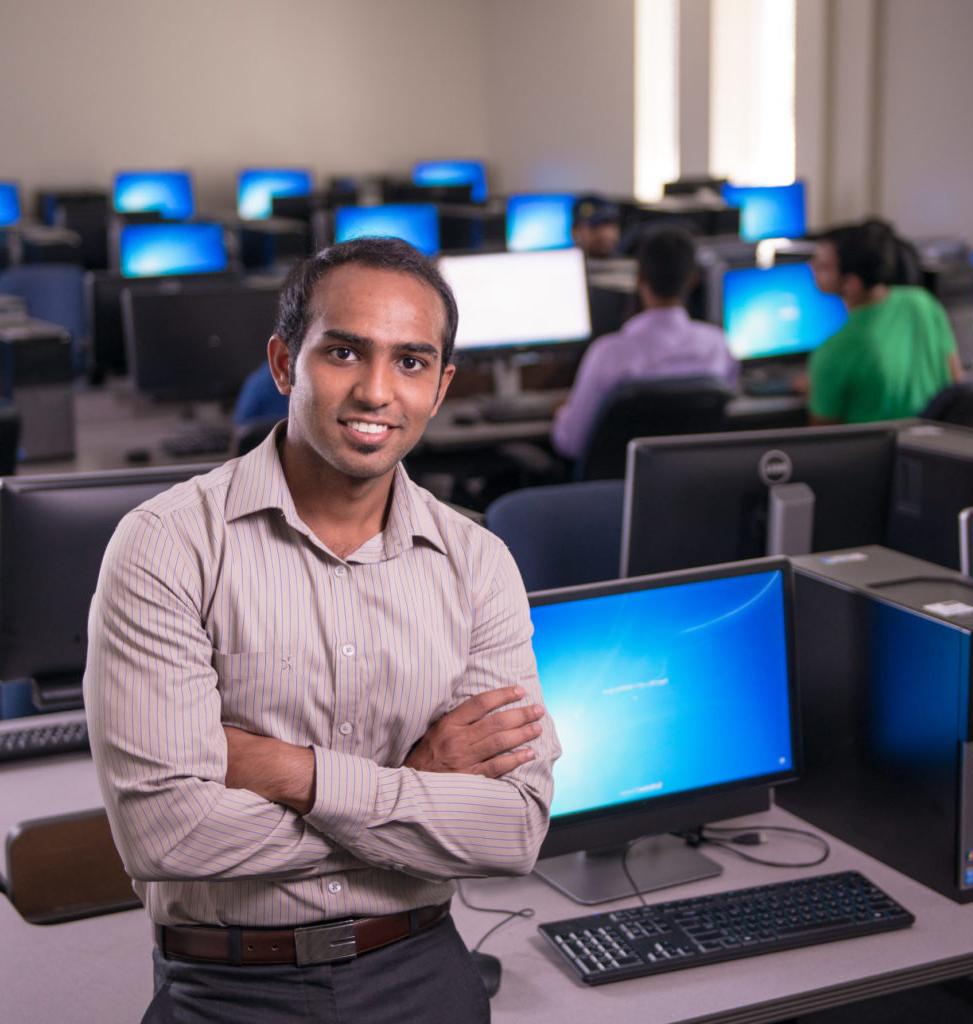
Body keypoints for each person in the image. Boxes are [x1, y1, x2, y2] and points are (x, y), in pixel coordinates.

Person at [83, 237, 560, 1024]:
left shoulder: (479, 563)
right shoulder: (167, 544)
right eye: (345, 352)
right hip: (229, 989)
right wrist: (421, 784)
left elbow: (512, 832)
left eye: (410, 363)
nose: (376, 390)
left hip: (424, 969)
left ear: (439, 388)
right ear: (283, 364)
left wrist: (290, 773)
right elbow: (164, 833)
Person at [552, 226, 738, 461]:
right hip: (686, 484)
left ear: (639, 279)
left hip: (610, 489)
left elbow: (570, 444)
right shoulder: (717, 345)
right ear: (693, 280)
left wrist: (562, 412)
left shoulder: (608, 353)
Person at [806, 219, 963, 424]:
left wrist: (819, 389)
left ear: (851, 284)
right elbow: (956, 382)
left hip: (876, 455)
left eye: (822, 266)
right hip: (935, 446)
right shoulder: (921, 302)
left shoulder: (834, 352)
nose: (811, 266)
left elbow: (822, 437)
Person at [571, 194, 621, 259]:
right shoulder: (560, 263)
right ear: (575, 231)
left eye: (612, 226)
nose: (606, 234)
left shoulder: (629, 264)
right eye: (595, 227)